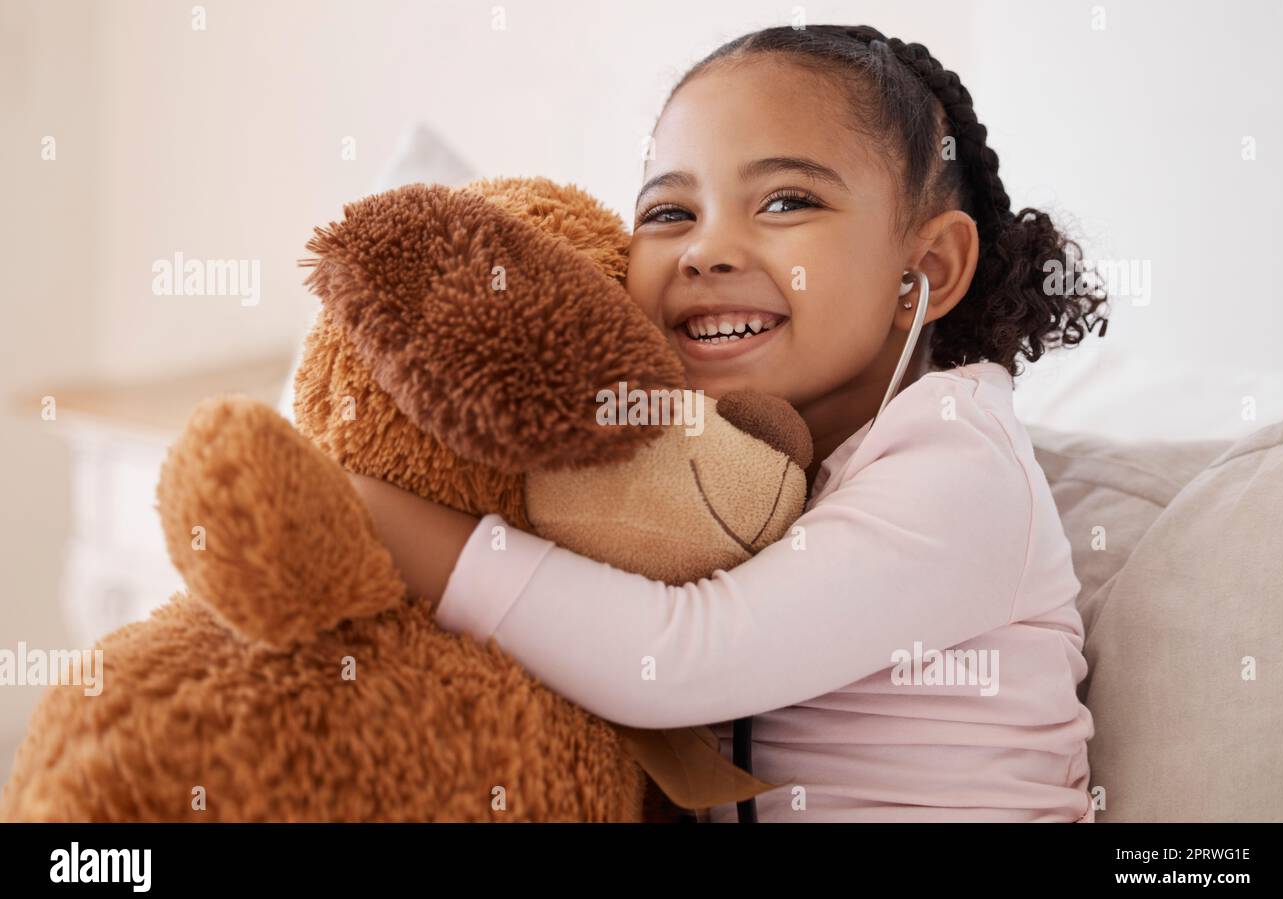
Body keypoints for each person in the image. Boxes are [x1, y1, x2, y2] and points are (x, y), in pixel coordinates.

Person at [347, 24, 1109, 822]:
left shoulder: (960, 462)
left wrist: (367, 509)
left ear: (928, 269)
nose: (704, 251)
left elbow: (675, 660)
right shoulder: (703, 466)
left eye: (786, 200)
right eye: (669, 211)